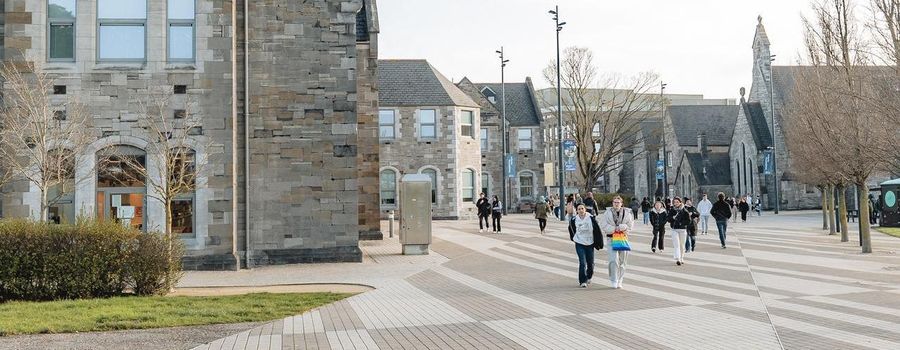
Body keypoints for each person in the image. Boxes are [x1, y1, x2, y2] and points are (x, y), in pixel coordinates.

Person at [599, 196, 633, 289]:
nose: (616, 204)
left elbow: (630, 225)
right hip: (611, 238)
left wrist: (622, 227)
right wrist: (614, 229)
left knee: (623, 261)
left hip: (622, 238)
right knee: (613, 260)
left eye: (618, 202)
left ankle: (620, 279)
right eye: (614, 202)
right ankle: (613, 279)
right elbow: (603, 224)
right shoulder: (607, 213)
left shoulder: (627, 213)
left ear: (621, 203)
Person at [568, 204, 604, 288]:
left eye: (582, 208)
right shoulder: (574, 219)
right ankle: (582, 281)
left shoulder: (591, 218)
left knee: (590, 263)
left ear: (585, 209)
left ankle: (589, 276)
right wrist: (574, 238)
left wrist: (599, 242)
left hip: (590, 243)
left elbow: (597, 230)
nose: (581, 210)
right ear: (576, 210)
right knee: (582, 262)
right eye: (579, 209)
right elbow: (571, 229)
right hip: (579, 243)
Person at [668, 197, 691, 266]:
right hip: (674, 229)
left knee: (682, 245)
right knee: (676, 244)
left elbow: (688, 221)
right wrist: (672, 218)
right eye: (674, 202)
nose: (676, 203)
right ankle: (678, 258)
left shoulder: (684, 211)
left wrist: (681, 223)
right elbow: (668, 219)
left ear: (680, 202)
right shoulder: (672, 210)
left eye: (677, 202)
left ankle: (681, 258)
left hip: (682, 230)